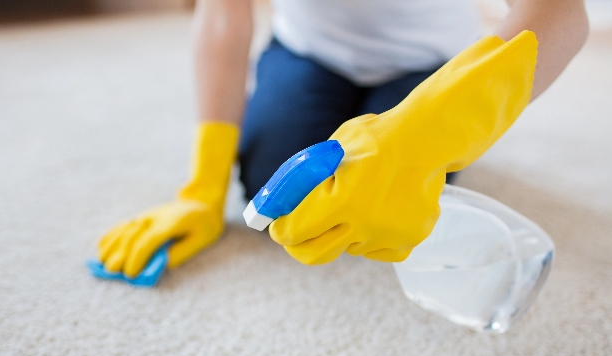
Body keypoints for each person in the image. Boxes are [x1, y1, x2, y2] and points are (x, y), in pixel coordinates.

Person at [98, 0, 588, 277]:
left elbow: (561, 13)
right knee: (274, 177)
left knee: (390, 185)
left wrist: (422, 137)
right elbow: (223, 13)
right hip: (310, 53)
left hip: (426, 65)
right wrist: (203, 185)